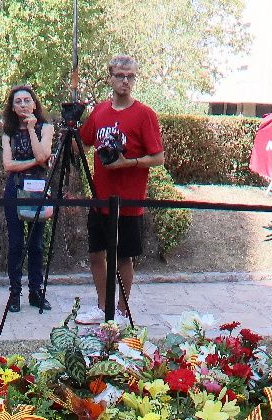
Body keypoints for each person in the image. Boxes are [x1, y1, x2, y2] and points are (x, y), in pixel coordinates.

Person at [77, 55, 164, 324]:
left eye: (130, 76)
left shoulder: (145, 114)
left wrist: (130, 162)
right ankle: (104, 308)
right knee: (96, 253)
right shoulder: (100, 111)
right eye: (119, 75)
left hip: (128, 200)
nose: (125, 81)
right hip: (100, 197)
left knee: (123, 257)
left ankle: (123, 311)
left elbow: (158, 157)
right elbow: (83, 142)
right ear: (110, 77)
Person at [0, 84, 54, 313]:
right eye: (18, 101)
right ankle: (14, 293)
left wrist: (32, 129)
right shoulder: (8, 132)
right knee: (15, 243)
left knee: (37, 244)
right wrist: (37, 162)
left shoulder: (46, 128)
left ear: (34, 104)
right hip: (15, 188)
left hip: (38, 189)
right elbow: (9, 165)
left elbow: (44, 153)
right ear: (12, 108)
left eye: (26, 100)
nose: (23, 104)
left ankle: (35, 290)